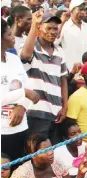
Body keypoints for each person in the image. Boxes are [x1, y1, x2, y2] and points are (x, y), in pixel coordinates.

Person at [20, 11, 68, 144]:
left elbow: (63, 80)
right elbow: (25, 56)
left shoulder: (60, 51)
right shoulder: (30, 46)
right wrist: (34, 25)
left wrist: (64, 107)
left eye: (55, 28)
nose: (53, 32)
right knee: (35, 152)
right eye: (49, 28)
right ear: (40, 27)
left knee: (52, 153)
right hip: (36, 112)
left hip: (56, 112)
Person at [1, 19, 39, 162]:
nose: (13, 37)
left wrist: (22, 106)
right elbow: (25, 91)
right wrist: (23, 93)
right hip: (2, 132)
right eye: (9, 34)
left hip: (20, 127)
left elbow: (27, 85)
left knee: (19, 168)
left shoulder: (13, 58)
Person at [58, 0, 87, 71]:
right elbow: (55, 42)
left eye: (84, 9)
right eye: (80, 9)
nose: (83, 12)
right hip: (69, 67)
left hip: (85, 68)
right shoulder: (64, 26)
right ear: (72, 10)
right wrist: (62, 22)